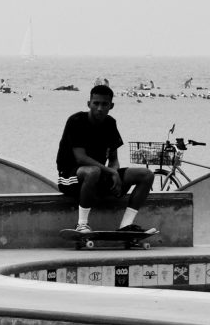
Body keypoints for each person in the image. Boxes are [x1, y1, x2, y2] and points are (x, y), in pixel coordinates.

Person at [54, 82, 154, 234]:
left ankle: (126, 226)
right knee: (92, 171)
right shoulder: (76, 121)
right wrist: (111, 172)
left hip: (99, 175)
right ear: (89, 104)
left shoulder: (110, 123)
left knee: (146, 175)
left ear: (111, 106)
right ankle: (82, 225)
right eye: (96, 103)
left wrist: (114, 173)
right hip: (70, 177)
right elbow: (81, 158)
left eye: (104, 104)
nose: (100, 108)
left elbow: (113, 159)